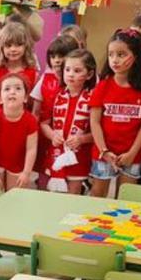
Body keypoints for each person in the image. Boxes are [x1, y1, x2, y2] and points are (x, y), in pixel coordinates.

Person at [89, 29, 141, 198]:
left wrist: (132, 153)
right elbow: (95, 122)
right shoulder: (103, 86)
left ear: (136, 56)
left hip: (132, 155)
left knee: (126, 198)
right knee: (97, 195)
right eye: (111, 54)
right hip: (103, 153)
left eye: (121, 54)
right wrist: (104, 151)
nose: (115, 60)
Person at [43, 48, 96, 194]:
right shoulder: (56, 95)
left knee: (74, 194)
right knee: (54, 193)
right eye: (67, 69)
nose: (71, 74)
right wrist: (52, 135)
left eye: (77, 71)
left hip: (79, 156)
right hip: (56, 151)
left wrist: (82, 139)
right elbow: (44, 123)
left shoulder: (93, 98)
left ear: (89, 74)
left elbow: (99, 131)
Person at [0, 72, 39, 190]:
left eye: (18, 88)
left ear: (25, 97)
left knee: (15, 193)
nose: (12, 92)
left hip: (18, 164)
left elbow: (31, 149)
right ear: (0, 98)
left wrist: (26, 172)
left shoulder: (30, 121)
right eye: (7, 89)